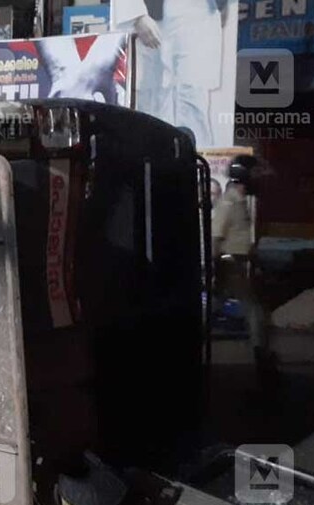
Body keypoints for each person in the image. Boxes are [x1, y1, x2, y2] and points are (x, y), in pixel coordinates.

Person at [115, 0, 228, 146]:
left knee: (194, 94)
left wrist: (223, 5)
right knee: (152, 96)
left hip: (201, 10)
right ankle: (154, 158)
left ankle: (196, 159)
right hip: (154, 12)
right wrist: (137, 15)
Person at [212, 155, 276, 375]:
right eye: (254, 174)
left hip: (236, 261)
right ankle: (261, 354)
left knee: (217, 306)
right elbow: (216, 237)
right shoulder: (229, 203)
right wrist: (214, 265)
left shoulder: (239, 201)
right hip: (230, 261)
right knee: (253, 309)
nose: (257, 179)